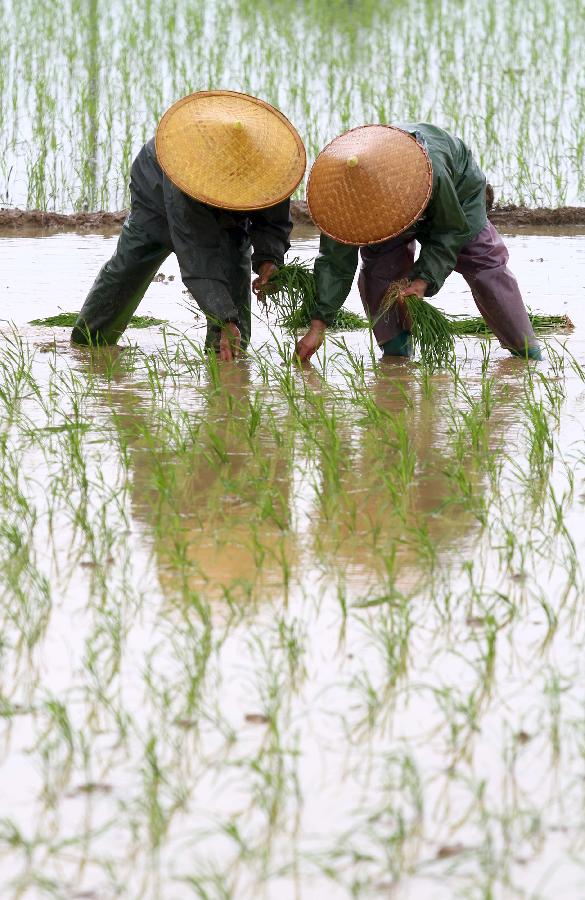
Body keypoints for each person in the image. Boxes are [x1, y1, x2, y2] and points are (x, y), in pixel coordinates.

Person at [71, 90, 306, 361]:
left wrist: (269, 259)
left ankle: (226, 360)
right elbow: (198, 255)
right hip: (157, 198)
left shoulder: (270, 166)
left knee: (233, 283)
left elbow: (273, 219)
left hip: (228, 215)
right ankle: (87, 343)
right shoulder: (186, 171)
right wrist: (224, 318)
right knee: (130, 265)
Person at [294, 123, 542, 362]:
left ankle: (526, 352)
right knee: (380, 269)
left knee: (483, 260)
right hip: (387, 198)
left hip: (457, 191)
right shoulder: (337, 199)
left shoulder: (427, 172)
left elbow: (449, 231)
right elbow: (335, 263)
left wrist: (424, 279)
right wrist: (318, 326)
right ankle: (396, 354)